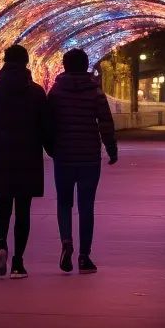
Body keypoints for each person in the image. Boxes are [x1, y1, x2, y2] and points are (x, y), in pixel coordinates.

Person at [0, 44, 52, 278]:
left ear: (4, 62)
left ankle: (1, 244)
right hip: (28, 159)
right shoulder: (36, 92)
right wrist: (53, 149)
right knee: (23, 210)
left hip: (1, 158)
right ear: (26, 63)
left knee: (2, 207)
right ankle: (18, 263)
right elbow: (45, 127)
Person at [47, 48, 117, 275]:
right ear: (86, 65)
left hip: (64, 156)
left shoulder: (56, 92)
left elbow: (46, 122)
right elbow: (105, 122)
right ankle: (85, 257)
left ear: (65, 66)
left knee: (64, 203)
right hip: (89, 156)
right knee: (86, 206)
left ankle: (66, 241)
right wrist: (112, 149)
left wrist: (51, 148)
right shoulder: (95, 91)